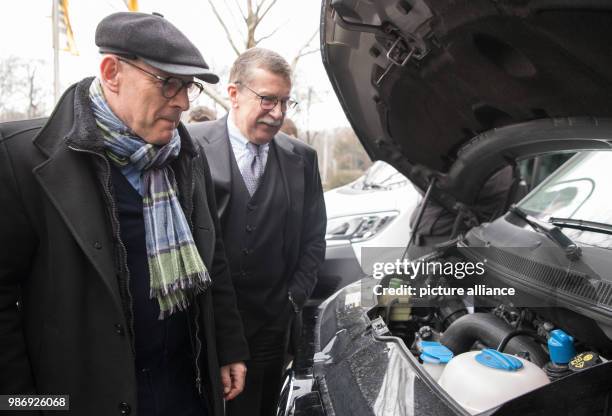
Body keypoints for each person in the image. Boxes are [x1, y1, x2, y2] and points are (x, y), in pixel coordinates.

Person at [0, 12, 249, 416]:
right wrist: (24, 405)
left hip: (186, 389)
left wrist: (229, 347)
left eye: (189, 86)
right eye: (169, 82)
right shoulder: (21, 159)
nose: (183, 101)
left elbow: (212, 258)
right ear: (111, 71)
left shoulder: (186, 156)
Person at [188, 48, 326, 416]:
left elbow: (314, 238)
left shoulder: (303, 159)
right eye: (267, 99)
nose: (278, 113)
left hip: (269, 327)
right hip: (202, 328)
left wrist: (293, 299)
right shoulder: (189, 146)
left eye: (284, 102)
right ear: (234, 94)